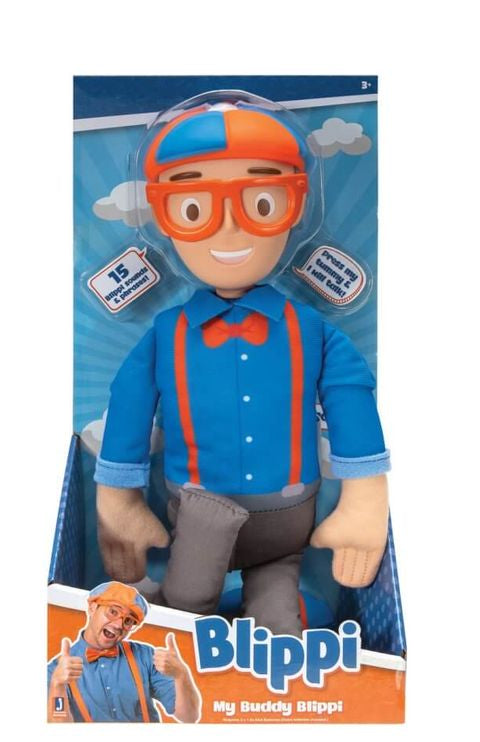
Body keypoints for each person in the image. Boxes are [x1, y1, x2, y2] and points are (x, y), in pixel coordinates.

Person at [95, 101, 391, 636]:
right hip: (197, 515)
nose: (230, 229)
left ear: (296, 204)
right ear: (162, 216)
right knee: (186, 603)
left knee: (277, 617)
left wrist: (364, 500)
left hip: (287, 518)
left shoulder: (311, 330)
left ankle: (276, 653)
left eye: (261, 203)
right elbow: (129, 406)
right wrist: (119, 501)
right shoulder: (166, 332)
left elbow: (351, 398)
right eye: (194, 208)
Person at [47, 581, 201, 723]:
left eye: (128, 621)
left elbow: (189, 717)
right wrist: (57, 686)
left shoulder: (146, 656)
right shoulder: (55, 671)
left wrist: (181, 675)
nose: (119, 625)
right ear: (93, 608)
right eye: (113, 611)